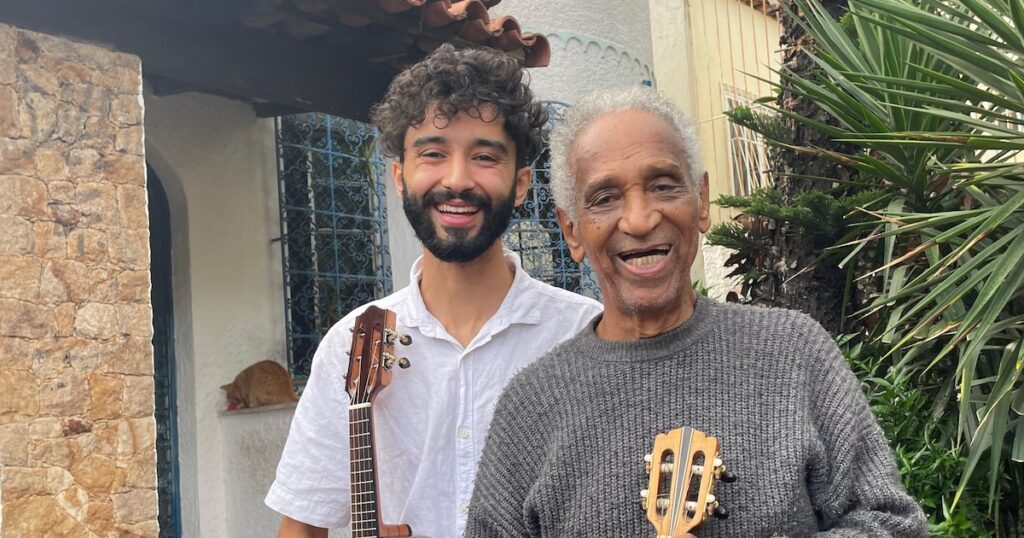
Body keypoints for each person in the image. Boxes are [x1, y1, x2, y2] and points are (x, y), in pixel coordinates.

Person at [464, 87, 928, 537]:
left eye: (663, 186)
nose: (640, 219)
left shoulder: (793, 352)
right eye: (605, 198)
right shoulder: (531, 406)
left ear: (701, 201)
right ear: (573, 231)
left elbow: (894, 523)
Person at [266, 44, 602, 538]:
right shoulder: (349, 342)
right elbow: (303, 525)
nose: (457, 179)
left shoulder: (586, 334)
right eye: (432, 153)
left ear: (522, 183)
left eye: (485, 156)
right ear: (401, 176)